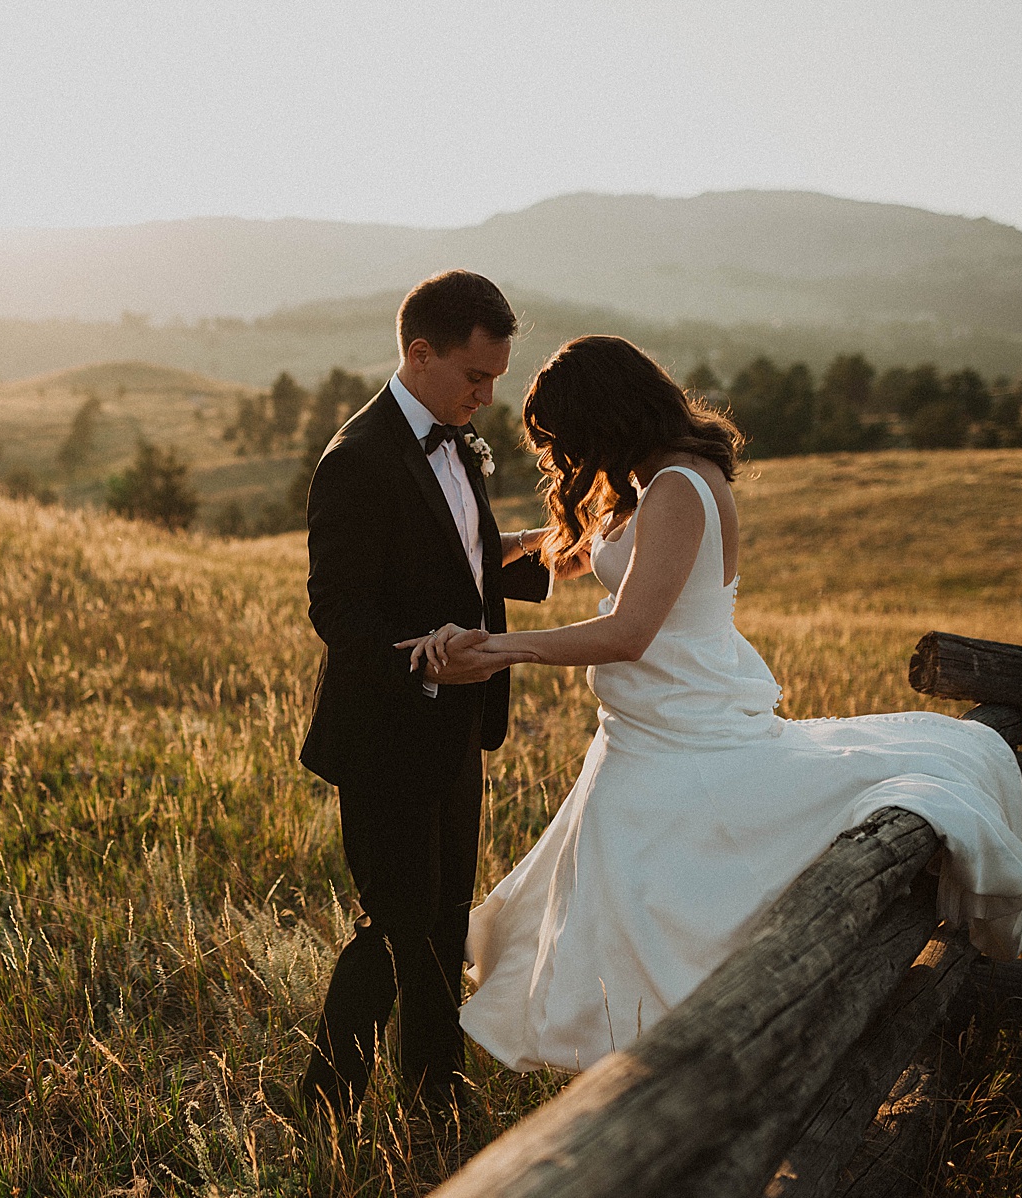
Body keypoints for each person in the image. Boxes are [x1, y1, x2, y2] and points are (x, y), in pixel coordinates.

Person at [403, 335, 1022, 1072]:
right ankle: (636, 1056)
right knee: (611, 897)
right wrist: (488, 544)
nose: (562, 455)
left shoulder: (679, 487)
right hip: (649, 721)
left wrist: (501, 647)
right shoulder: (659, 479)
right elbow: (582, 550)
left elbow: (630, 631)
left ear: (606, 417)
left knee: (646, 902)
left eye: (567, 436)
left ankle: (666, 1061)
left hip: (681, 724)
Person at [292, 270, 554, 1126]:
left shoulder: (456, 438)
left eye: (496, 380)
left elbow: (456, 551)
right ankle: (326, 1105)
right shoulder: (357, 459)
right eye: (475, 377)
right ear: (419, 352)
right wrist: (428, 665)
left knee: (443, 918)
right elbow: (338, 611)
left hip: (459, 729)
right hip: (386, 730)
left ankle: (433, 1088)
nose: (487, 396)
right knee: (396, 921)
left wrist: (537, 547)